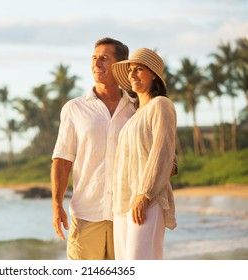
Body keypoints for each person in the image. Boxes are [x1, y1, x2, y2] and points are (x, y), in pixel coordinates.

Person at [51, 37, 136, 260]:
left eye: (104, 59)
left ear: (120, 66)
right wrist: (56, 205)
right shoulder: (74, 108)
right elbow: (62, 159)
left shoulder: (137, 109)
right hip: (86, 215)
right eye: (94, 58)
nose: (97, 64)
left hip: (126, 216)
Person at [111, 48, 177, 260]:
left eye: (139, 69)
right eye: (130, 70)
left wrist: (145, 194)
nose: (132, 75)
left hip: (148, 199)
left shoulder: (161, 105)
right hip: (124, 203)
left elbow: (162, 152)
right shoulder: (134, 115)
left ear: (153, 75)